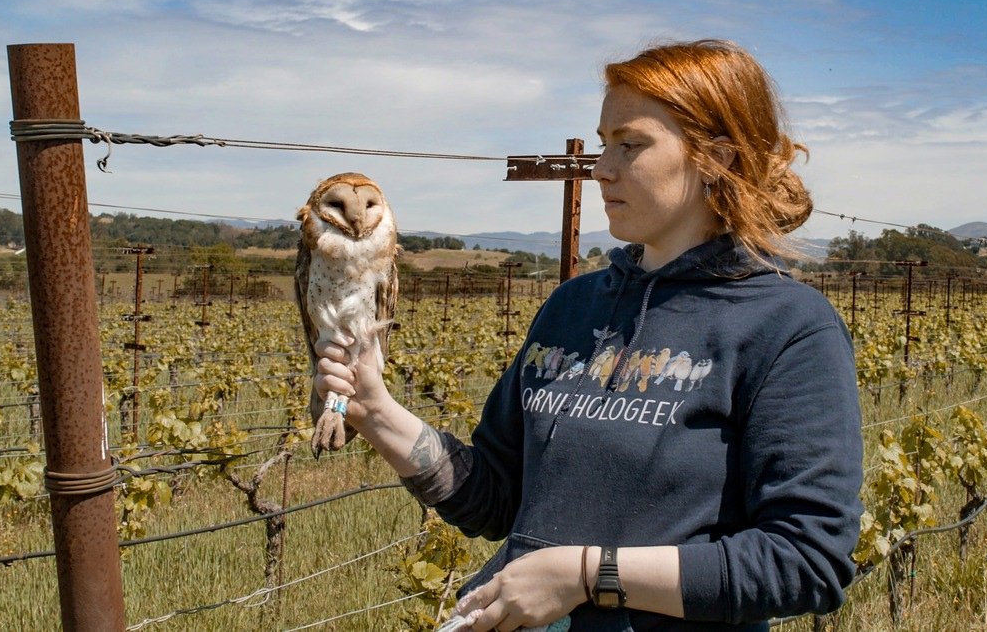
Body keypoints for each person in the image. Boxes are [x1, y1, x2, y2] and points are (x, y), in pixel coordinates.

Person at [315, 39, 864, 631]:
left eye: (631, 145)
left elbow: (807, 561)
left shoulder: (788, 326)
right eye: (604, 144)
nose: (601, 168)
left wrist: (587, 576)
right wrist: (377, 411)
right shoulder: (572, 307)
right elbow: (497, 498)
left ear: (716, 158)